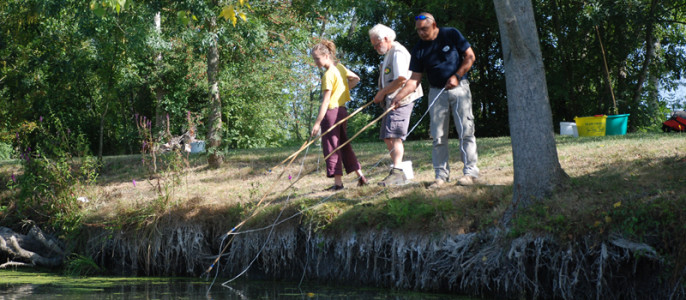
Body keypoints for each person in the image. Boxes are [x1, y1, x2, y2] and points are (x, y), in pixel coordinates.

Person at [391, 12, 479, 188]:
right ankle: (441, 176)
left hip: (460, 88)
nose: (421, 33)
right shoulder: (419, 48)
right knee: (438, 136)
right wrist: (398, 97)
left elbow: (470, 56)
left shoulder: (451, 34)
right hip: (436, 92)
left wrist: (457, 75)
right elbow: (414, 80)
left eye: (424, 29)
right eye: (418, 30)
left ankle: (470, 173)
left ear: (434, 25)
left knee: (465, 131)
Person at [368, 24, 423, 186]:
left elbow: (401, 79)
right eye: (374, 45)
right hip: (392, 100)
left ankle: (397, 172)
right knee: (387, 136)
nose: (376, 48)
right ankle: (398, 172)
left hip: (401, 99)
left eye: (377, 44)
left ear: (386, 39)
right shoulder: (389, 53)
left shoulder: (398, 52)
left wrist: (382, 93)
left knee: (394, 135)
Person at [310, 39, 368, 191]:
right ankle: (360, 175)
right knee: (344, 144)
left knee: (332, 147)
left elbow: (325, 101)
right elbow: (356, 78)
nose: (315, 62)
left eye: (317, 58)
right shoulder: (340, 68)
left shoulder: (328, 74)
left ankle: (338, 184)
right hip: (342, 111)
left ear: (326, 56)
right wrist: (344, 89)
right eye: (314, 59)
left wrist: (317, 123)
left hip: (331, 113)